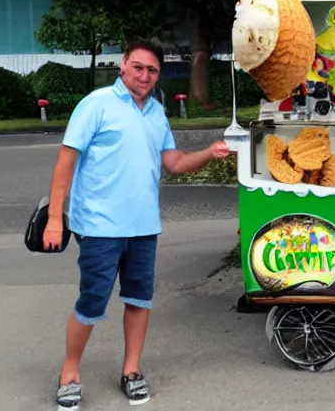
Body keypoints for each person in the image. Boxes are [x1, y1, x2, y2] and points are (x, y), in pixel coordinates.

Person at [43, 37, 230, 410]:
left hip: (143, 225)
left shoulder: (157, 112)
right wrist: (54, 217)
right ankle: (69, 372)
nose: (145, 76)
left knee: (138, 299)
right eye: (139, 67)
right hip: (98, 227)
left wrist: (210, 153)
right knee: (93, 301)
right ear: (123, 64)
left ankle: (131, 371)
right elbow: (66, 160)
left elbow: (173, 162)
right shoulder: (96, 104)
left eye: (153, 70)